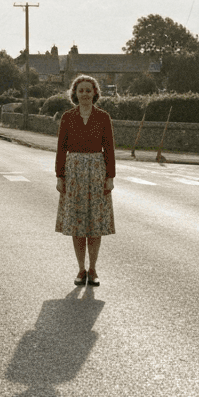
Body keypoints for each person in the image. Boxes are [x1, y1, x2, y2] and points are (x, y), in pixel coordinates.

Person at [55, 74, 115, 286]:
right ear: (75, 93)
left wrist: (110, 177)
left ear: (95, 93)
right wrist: (60, 176)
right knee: (77, 224)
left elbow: (109, 148)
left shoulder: (103, 117)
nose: (85, 94)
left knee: (95, 224)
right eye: (81, 90)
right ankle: (81, 269)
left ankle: (93, 269)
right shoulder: (67, 117)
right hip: (74, 173)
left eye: (89, 90)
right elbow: (61, 148)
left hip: (97, 172)